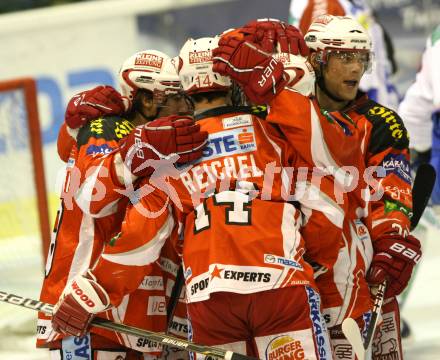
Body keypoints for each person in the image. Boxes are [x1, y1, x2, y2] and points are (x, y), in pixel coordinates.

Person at [49, 35, 334, 360]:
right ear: (233, 80)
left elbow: (139, 238)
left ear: (184, 88)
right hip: (282, 286)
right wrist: (321, 262)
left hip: (208, 300)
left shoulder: (171, 153)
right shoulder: (272, 132)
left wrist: (93, 291)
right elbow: (325, 197)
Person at [212, 16, 422, 360]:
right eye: (344, 58)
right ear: (316, 60)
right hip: (287, 277)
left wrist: (392, 237)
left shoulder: (380, 121)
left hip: (358, 277)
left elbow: (391, 189)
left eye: (361, 59)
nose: (355, 68)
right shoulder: (272, 116)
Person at [38, 49, 206, 360]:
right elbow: (92, 197)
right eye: (172, 97)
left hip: (132, 321)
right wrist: (133, 152)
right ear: (144, 100)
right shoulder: (109, 128)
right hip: (87, 316)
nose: (184, 107)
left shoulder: (160, 144)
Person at [289, 0, 401, 111]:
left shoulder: (356, 3)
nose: (356, 67)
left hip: (373, 96)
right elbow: (315, 56)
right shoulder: (325, 3)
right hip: (350, 103)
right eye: (346, 58)